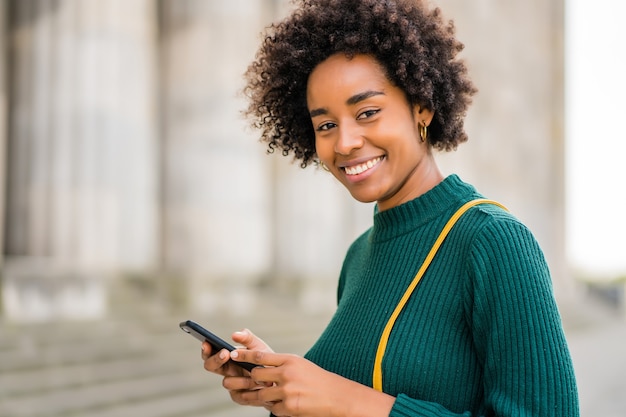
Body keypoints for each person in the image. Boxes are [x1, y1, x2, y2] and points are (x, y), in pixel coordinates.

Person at [201, 0, 580, 416]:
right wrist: (286, 389)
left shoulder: (492, 240)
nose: (344, 143)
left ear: (422, 107)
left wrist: (347, 401)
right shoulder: (359, 254)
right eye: (326, 125)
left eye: (367, 112)